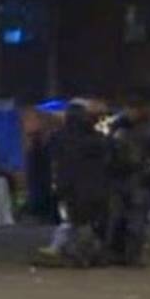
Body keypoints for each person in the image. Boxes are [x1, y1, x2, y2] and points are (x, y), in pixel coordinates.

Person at [51, 103, 112, 267]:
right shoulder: (97, 138)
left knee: (78, 222)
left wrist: (59, 186)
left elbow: (58, 162)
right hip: (97, 186)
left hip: (72, 186)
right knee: (94, 222)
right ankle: (96, 254)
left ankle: (81, 255)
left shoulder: (60, 138)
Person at [106, 100, 150, 267]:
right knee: (119, 218)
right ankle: (120, 253)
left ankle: (130, 255)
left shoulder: (144, 130)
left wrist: (149, 174)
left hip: (136, 179)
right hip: (124, 178)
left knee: (134, 219)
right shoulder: (122, 128)